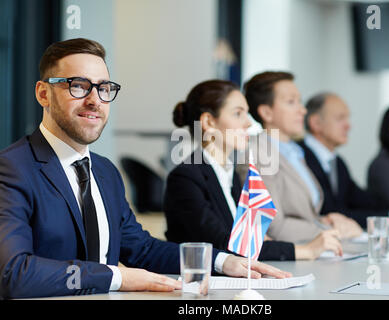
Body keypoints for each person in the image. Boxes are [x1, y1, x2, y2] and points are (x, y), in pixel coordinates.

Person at [0, 38, 290, 299]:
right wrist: (118, 277)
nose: (94, 100)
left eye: (103, 88)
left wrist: (221, 261)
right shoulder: (12, 169)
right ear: (43, 94)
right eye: (78, 85)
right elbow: (14, 273)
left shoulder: (104, 172)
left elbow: (143, 249)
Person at [164, 80, 343, 261]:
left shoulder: (227, 173)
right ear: (209, 121)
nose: (248, 123)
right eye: (237, 114)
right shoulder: (186, 178)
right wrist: (305, 251)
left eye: (246, 114)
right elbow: (225, 244)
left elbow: (249, 237)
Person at [243, 71, 363, 243]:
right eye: (291, 102)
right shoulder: (259, 154)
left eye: (299, 101)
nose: (302, 110)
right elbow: (273, 227)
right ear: (266, 113)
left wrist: (325, 220)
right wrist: (328, 229)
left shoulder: (294, 152)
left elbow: (303, 215)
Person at [299, 92, 388, 228]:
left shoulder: (337, 162)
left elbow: (362, 200)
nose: (348, 126)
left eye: (347, 118)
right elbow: (329, 212)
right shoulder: (299, 157)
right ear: (316, 123)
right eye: (340, 118)